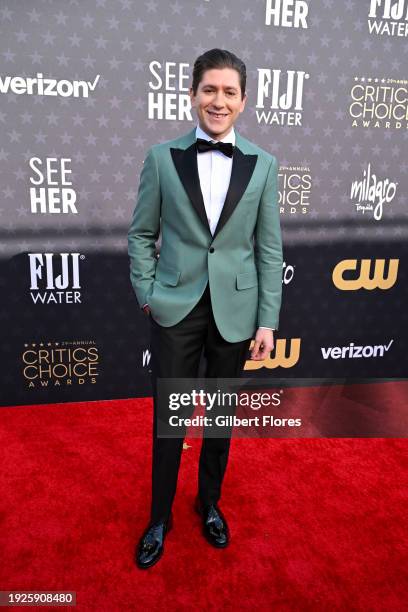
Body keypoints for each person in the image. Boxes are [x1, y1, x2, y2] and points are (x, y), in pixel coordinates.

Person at [127, 48, 283, 569]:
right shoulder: (161, 158)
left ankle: (208, 503)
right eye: (209, 90)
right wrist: (149, 294)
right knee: (168, 423)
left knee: (219, 420)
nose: (219, 101)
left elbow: (268, 249)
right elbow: (142, 234)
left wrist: (267, 319)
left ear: (244, 101)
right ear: (192, 95)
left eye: (230, 92)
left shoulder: (264, 165)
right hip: (175, 308)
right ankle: (159, 516)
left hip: (235, 315)